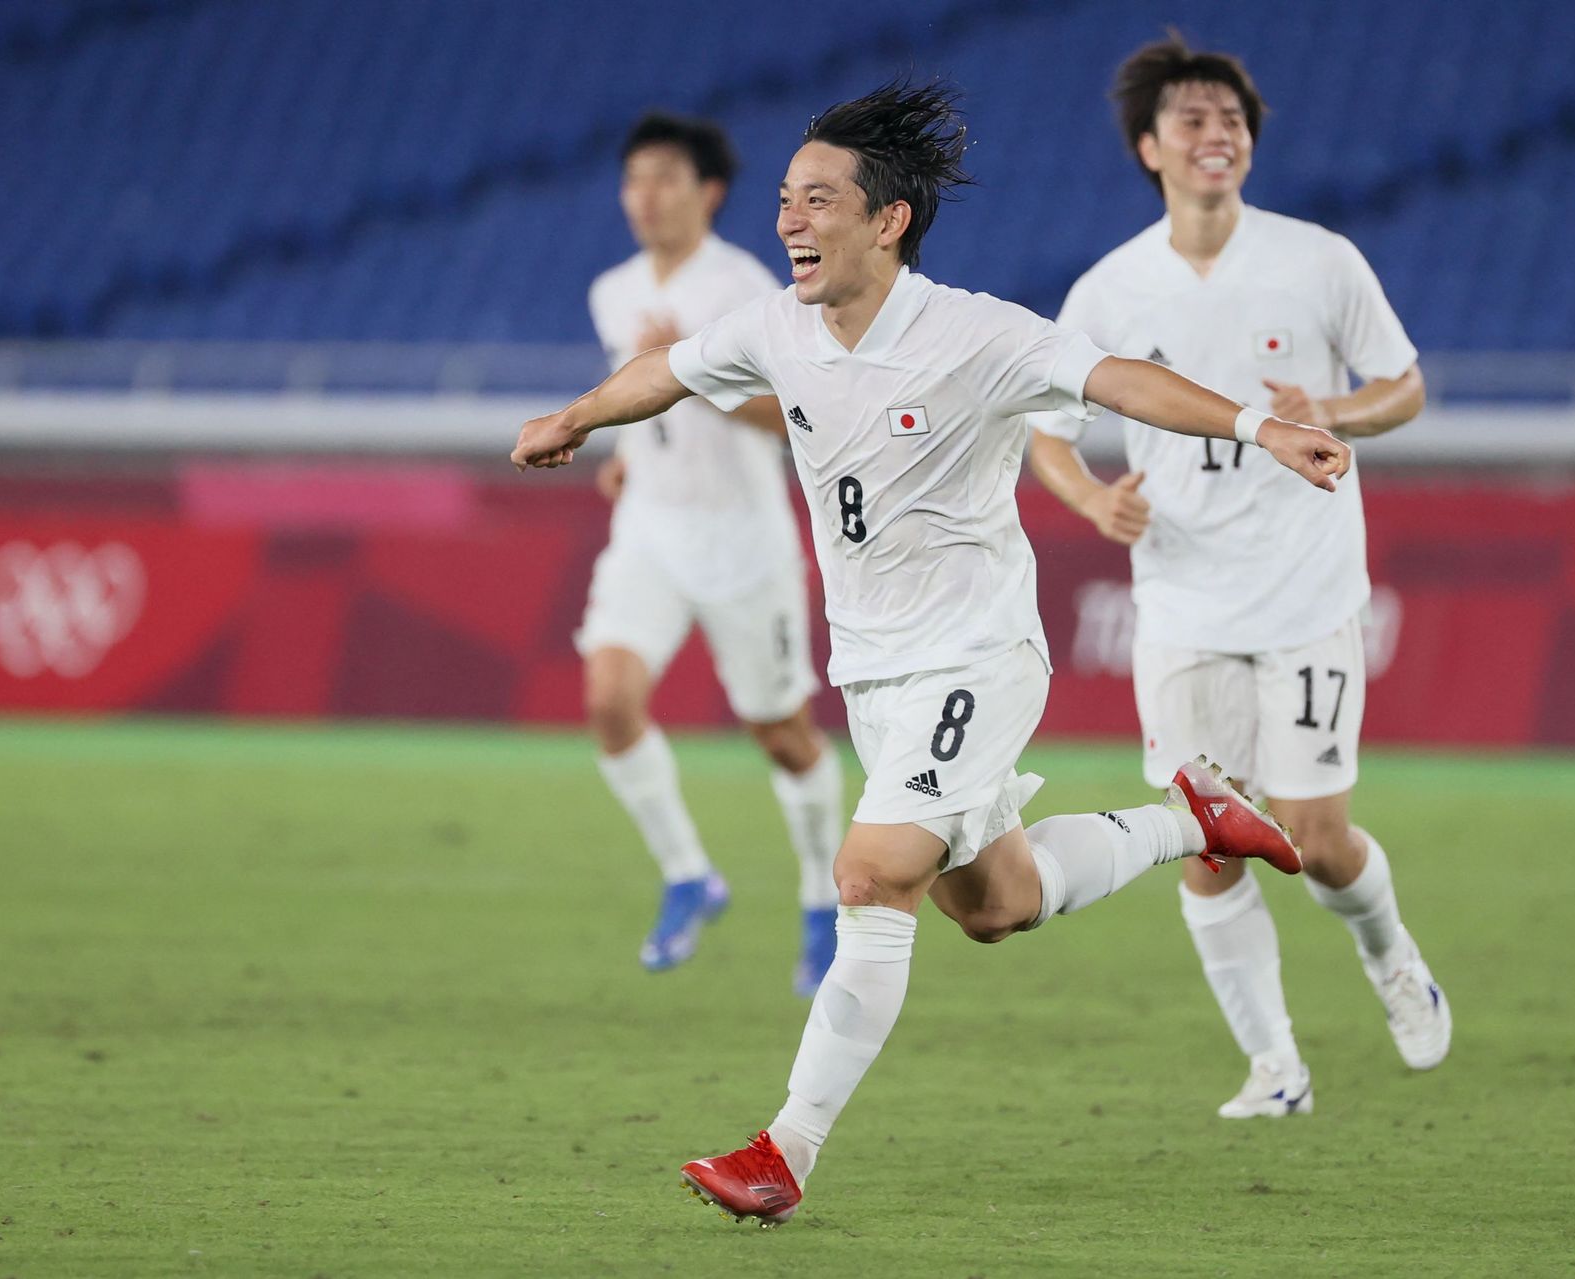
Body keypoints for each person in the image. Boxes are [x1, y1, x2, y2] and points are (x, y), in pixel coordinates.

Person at [513, 81, 1347, 1225]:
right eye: (785, 200)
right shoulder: (776, 329)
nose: (790, 222)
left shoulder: (976, 334)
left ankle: (784, 1149)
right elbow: (668, 368)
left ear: (887, 219)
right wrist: (576, 417)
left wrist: (1262, 427)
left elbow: (1119, 382)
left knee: (871, 871)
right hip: (875, 669)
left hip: (978, 655)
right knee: (990, 903)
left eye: (817, 201)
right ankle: (1192, 819)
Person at [1025, 35, 1447, 1120]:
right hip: (1181, 598)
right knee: (1210, 844)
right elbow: (1046, 428)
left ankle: (1390, 951)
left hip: (1305, 588)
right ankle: (1275, 1067)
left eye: (1233, 121)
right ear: (1149, 146)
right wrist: (1088, 498)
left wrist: (1333, 411)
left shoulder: (1318, 259)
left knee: (1314, 837)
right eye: (1195, 121)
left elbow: (1403, 386)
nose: (1218, 136)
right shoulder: (1111, 288)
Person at [579, 113, 846, 995]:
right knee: (609, 697)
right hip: (652, 530)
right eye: (634, 178)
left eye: (664, 176)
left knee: (781, 733)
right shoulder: (612, 289)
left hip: (743, 540)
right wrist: (625, 457)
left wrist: (688, 372)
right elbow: (633, 397)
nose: (645, 195)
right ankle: (690, 875)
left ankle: (821, 900)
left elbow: (795, 416)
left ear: (709, 192)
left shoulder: (747, 288)